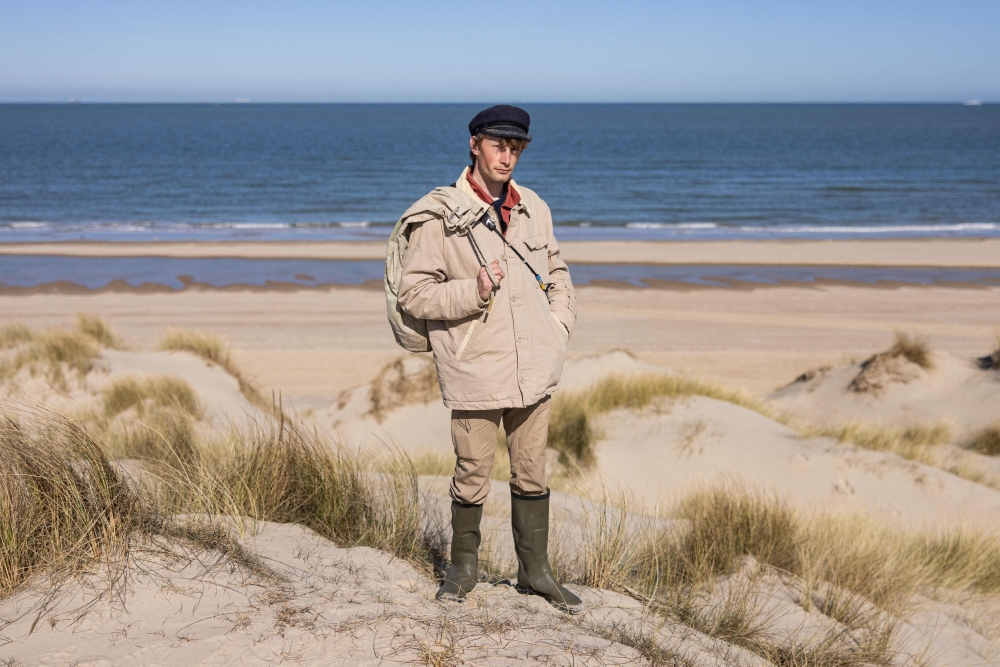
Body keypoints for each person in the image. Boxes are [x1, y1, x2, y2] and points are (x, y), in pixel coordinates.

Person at [396, 105, 580, 613]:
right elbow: (414, 295)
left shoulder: (534, 206)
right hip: (475, 366)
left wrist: (559, 325)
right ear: (474, 144)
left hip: (536, 365)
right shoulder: (439, 216)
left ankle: (535, 573)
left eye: (516, 147)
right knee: (472, 471)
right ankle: (463, 569)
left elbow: (557, 269)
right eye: (499, 145)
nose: (508, 156)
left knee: (533, 472)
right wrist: (471, 291)